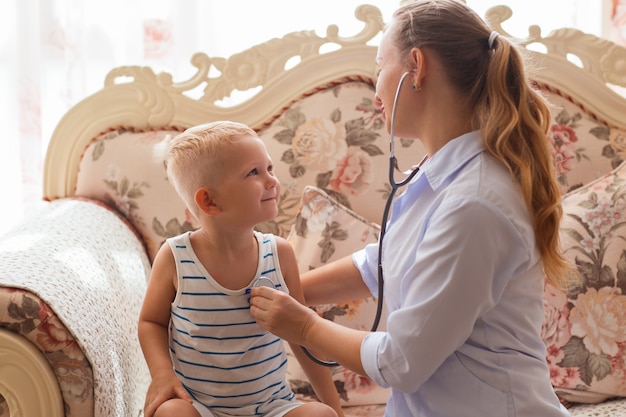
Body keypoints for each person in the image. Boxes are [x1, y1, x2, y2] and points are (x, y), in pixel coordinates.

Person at [249, 1, 574, 416]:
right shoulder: (443, 179)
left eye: (381, 65)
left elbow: (401, 362)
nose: (375, 86)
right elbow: (382, 264)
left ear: (416, 67)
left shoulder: (474, 204)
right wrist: (285, 288)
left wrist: (303, 325)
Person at [138, 121, 344, 417]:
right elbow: (150, 322)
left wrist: (334, 407)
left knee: (321, 416)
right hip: (200, 408)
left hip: (272, 408)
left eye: (269, 168)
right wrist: (162, 374)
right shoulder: (175, 256)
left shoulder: (279, 254)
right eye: (254, 173)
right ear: (209, 201)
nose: (272, 180)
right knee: (171, 413)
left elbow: (303, 335)